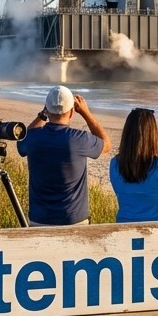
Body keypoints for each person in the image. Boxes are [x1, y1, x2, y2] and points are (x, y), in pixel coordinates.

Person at [17, 86, 110, 226]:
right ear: (72, 112)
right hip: (74, 220)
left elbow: (22, 142)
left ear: (46, 109)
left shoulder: (33, 138)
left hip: (39, 219)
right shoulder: (80, 139)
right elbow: (106, 144)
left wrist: (42, 115)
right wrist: (86, 113)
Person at [109, 107, 158, 222]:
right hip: (156, 229)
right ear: (152, 135)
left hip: (124, 226)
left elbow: (122, 194)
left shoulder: (115, 164)